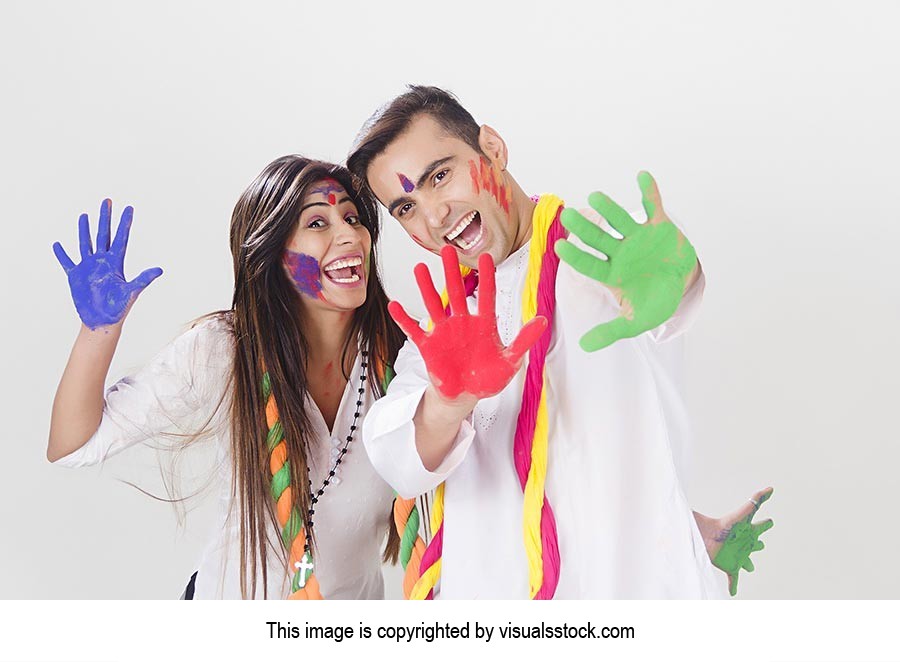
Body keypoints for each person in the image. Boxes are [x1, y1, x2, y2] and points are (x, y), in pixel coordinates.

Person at [349, 86, 772, 599]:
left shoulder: (597, 256)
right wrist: (448, 402)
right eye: (406, 207)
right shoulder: (440, 332)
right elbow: (397, 458)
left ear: (493, 148)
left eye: (440, 176)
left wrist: (674, 279)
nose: (434, 215)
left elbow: (666, 295)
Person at [48, 156, 407, 599]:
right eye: (318, 222)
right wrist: (98, 330)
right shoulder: (226, 348)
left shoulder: (403, 361)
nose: (349, 234)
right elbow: (73, 445)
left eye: (353, 217)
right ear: (273, 254)